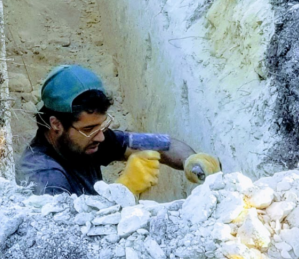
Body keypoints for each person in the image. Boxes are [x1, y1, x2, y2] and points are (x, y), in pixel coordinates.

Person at [17, 64, 220, 197]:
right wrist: (124, 190)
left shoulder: (84, 142)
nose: (100, 136)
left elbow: (162, 144)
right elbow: (69, 240)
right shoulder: (42, 175)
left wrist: (192, 161)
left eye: (102, 125)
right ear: (56, 125)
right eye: (89, 128)